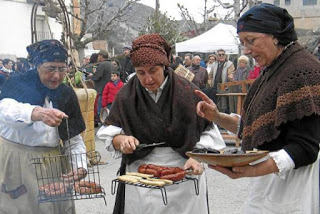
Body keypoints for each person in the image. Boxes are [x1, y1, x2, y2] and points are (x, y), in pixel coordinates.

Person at [195, 3, 320, 213]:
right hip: (271, 186)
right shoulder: (272, 69)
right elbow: (255, 127)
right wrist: (217, 116)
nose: (246, 50)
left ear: (274, 36)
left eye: (251, 41)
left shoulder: (301, 70)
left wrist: (248, 171)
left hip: (294, 189)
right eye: (243, 43)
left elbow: (305, 148)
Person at [97, 34, 225, 214]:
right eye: (141, 72)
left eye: (153, 70)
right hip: (140, 174)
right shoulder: (126, 95)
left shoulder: (188, 91)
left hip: (184, 171)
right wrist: (121, 140)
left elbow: (209, 131)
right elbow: (110, 131)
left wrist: (198, 156)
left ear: (164, 66)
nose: (148, 79)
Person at [0, 39, 87, 214]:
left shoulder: (66, 94)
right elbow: (5, 110)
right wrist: (35, 112)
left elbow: (74, 140)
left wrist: (80, 167)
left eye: (62, 69)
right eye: (50, 68)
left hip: (53, 163)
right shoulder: (18, 83)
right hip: (17, 162)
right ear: (37, 65)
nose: (56, 75)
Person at [208, 49, 235, 113]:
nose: (221, 56)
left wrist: (230, 76)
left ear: (225, 56)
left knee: (224, 106)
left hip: (225, 87)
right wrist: (210, 83)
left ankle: (225, 117)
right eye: (220, 55)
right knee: (207, 93)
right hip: (215, 87)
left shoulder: (230, 64)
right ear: (217, 56)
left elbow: (231, 73)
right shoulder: (214, 64)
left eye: (223, 54)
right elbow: (210, 76)